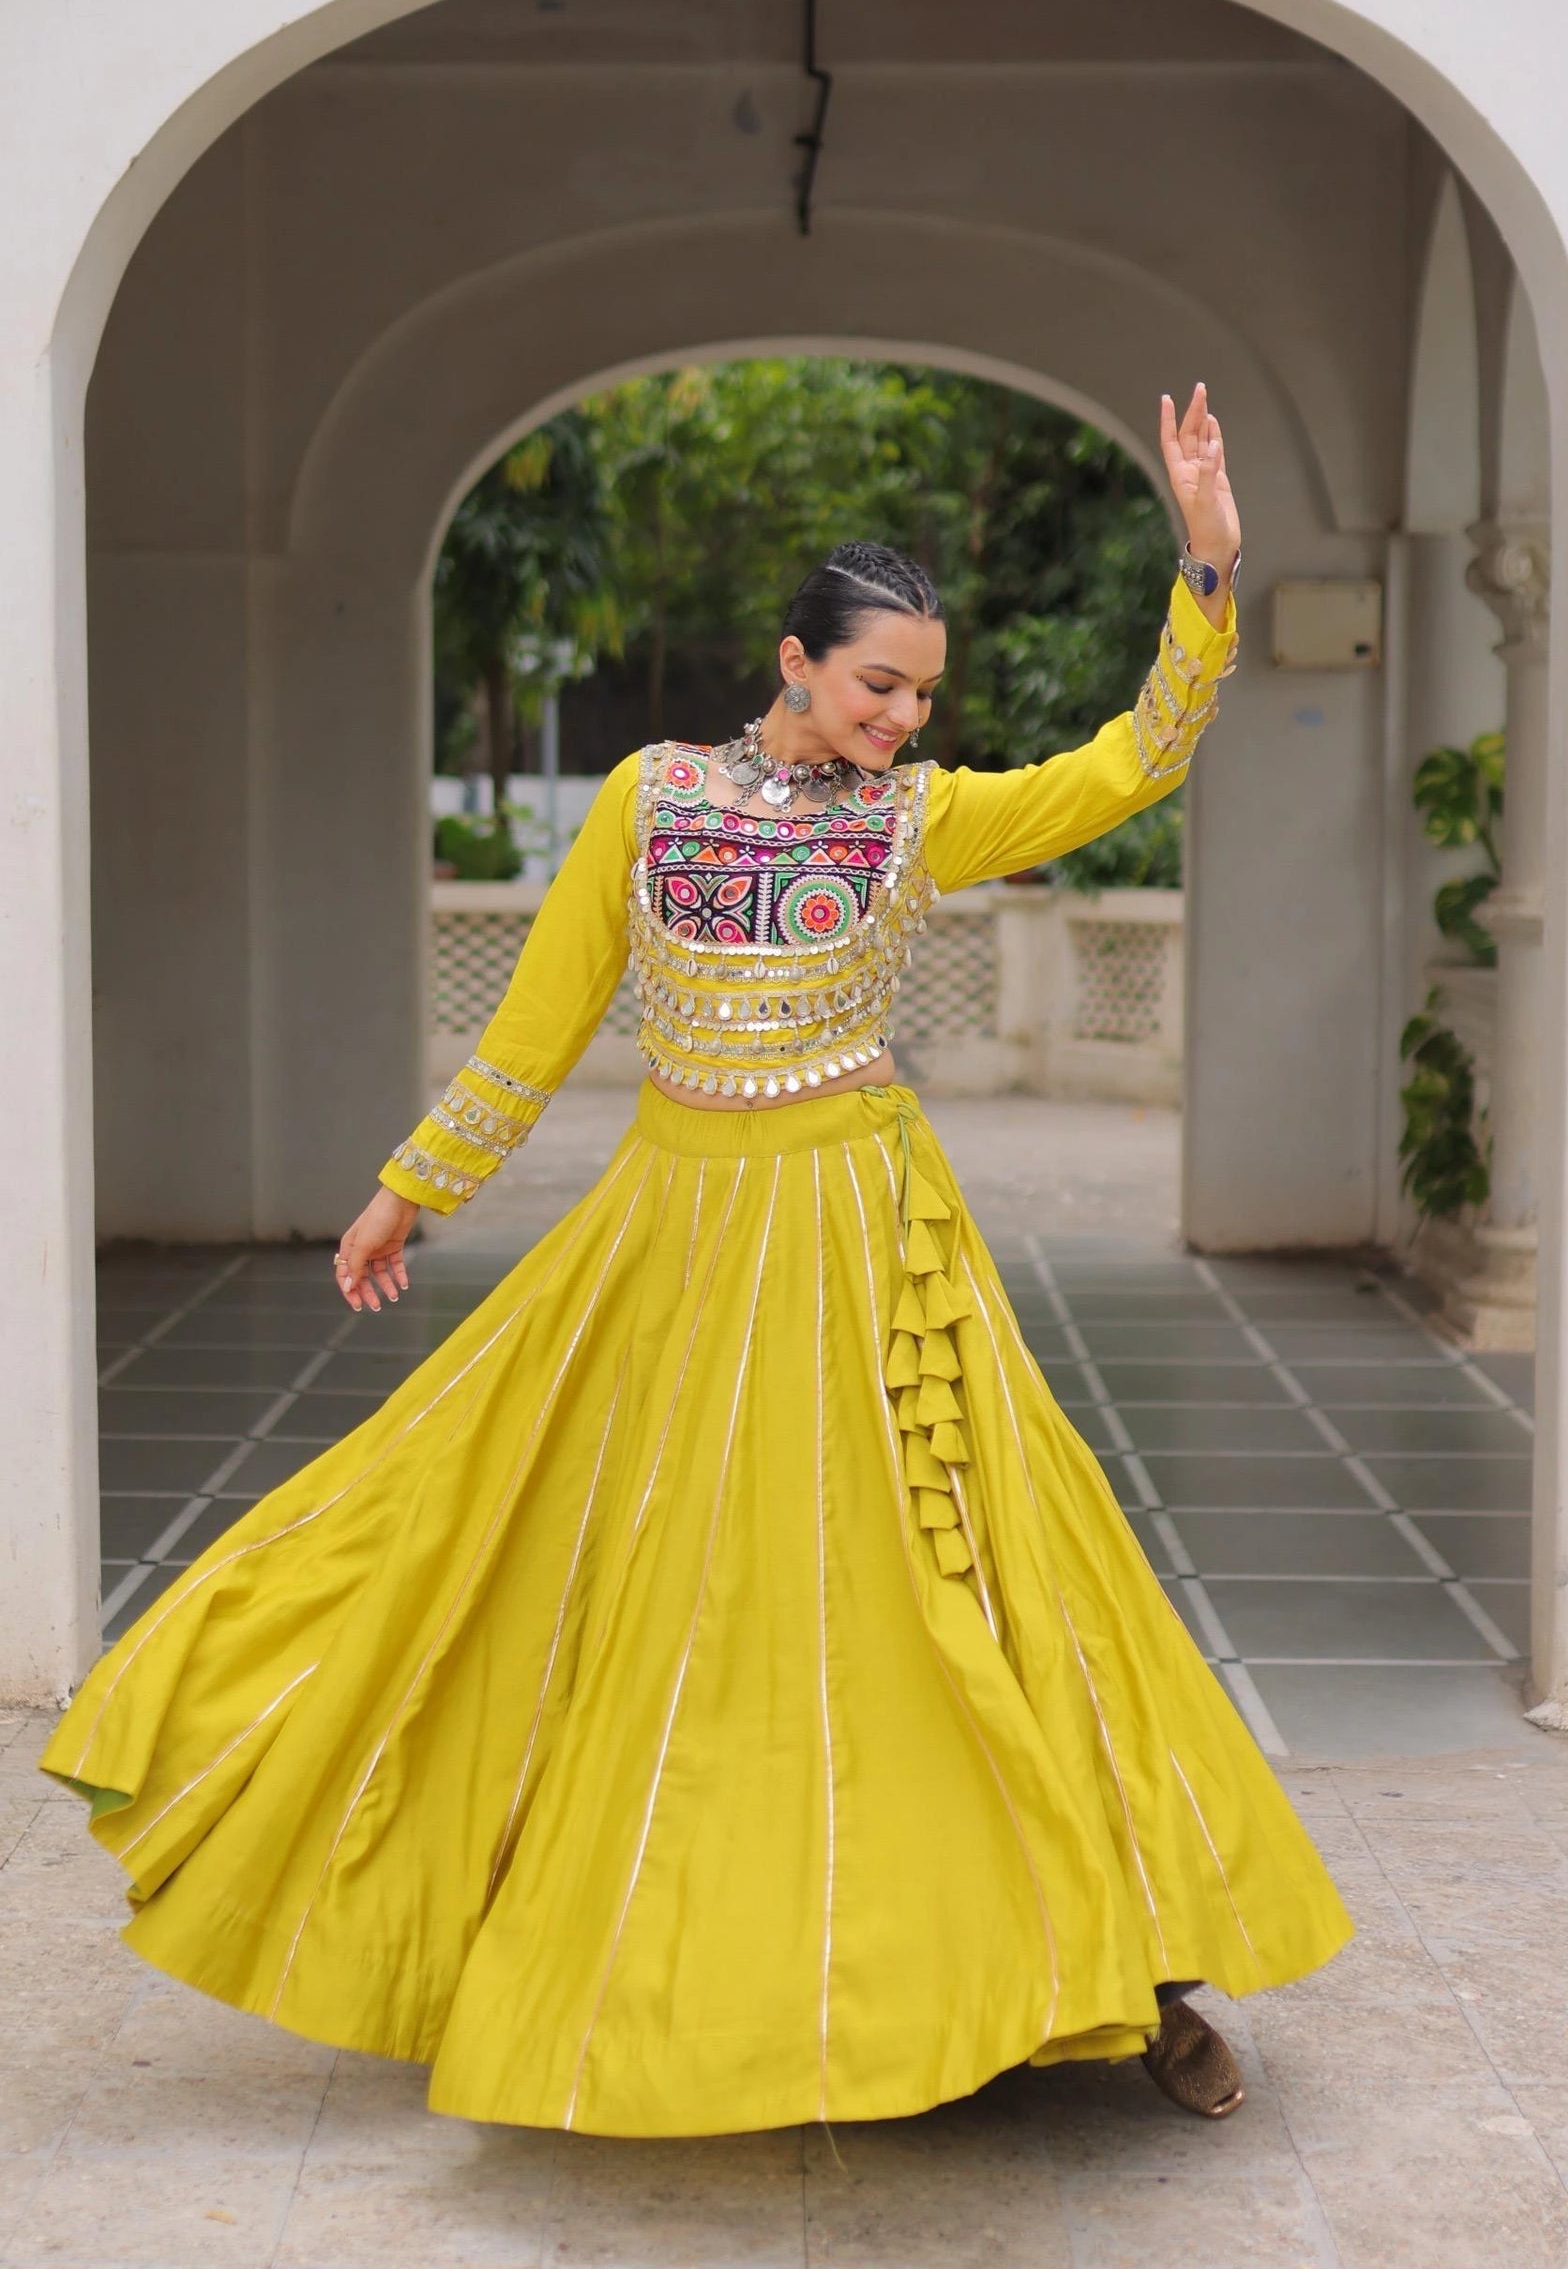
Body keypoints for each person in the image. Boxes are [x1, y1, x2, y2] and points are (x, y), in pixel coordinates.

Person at [43, 384, 1351, 2137]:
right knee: (583, 1577)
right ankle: (594, 1949)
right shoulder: (651, 804)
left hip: (873, 1245)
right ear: (795, 660)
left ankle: (1126, 1968)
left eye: (924, 695)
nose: (903, 717)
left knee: (982, 1592)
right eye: (878, 682)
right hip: (674, 1236)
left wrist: (1207, 563)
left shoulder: (917, 819)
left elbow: (1132, 764)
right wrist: (409, 1187)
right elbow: (540, 1017)